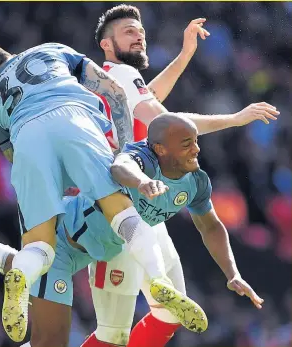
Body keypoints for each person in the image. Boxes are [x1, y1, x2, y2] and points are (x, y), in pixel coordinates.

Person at [0, 114, 264, 347]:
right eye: (188, 144)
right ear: (159, 148)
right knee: (99, 325)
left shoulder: (197, 182)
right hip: (77, 233)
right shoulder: (141, 156)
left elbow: (211, 225)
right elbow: (121, 165)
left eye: (195, 141)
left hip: (94, 245)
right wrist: (141, 183)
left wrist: (232, 272)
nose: (197, 149)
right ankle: (160, 285)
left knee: (18, 262)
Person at [0, 41, 207, 342]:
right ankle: (157, 279)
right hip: (72, 117)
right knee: (122, 211)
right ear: (8, 53)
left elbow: (12, 157)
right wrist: (123, 149)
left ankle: (21, 276)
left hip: (26, 137)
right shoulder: (49, 50)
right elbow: (112, 89)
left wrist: (53, 182)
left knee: (39, 247)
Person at [83, 5, 279, 347]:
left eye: (140, 30)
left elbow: (151, 99)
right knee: (117, 332)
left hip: (138, 204)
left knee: (169, 313)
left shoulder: (120, 82)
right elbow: (169, 123)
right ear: (106, 44)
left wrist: (186, 53)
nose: (139, 34)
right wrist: (235, 118)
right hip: (117, 207)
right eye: (129, 31)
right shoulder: (120, 77)